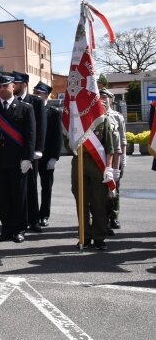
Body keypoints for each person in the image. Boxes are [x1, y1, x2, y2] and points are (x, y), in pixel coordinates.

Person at [0, 73, 35, 243]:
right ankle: (6, 229)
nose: (1, 89)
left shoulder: (25, 108)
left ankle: (19, 229)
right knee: (3, 197)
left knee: (19, 196)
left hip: (18, 161)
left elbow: (31, 135)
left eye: (5, 86)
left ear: (12, 86)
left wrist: (27, 158)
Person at [70, 104, 114, 251]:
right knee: (81, 202)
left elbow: (109, 146)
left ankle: (99, 237)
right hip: (79, 161)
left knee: (98, 202)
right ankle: (84, 236)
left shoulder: (102, 120)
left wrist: (108, 168)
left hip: (97, 164)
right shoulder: (75, 119)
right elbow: (67, 141)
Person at [12, 71, 47, 233]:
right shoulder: (11, 101)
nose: (13, 86)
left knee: (31, 187)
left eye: (16, 83)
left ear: (24, 85)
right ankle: (20, 220)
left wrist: (38, 149)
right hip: (15, 152)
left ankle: (34, 220)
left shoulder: (36, 102)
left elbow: (40, 128)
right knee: (17, 188)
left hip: (31, 152)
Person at [33, 82, 62, 227]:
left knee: (46, 187)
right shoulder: (29, 110)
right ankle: (32, 216)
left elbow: (58, 137)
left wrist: (54, 157)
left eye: (40, 93)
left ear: (46, 95)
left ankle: (44, 215)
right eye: (35, 92)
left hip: (47, 156)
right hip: (32, 156)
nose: (37, 95)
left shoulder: (54, 112)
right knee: (31, 188)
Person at [101, 89, 126, 234]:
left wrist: (123, 158)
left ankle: (114, 217)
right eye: (100, 96)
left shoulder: (118, 117)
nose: (103, 99)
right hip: (101, 158)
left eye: (105, 97)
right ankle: (102, 218)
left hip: (115, 158)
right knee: (101, 191)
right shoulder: (97, 116)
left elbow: (122, 139)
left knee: (114, 188)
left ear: (111, 99)